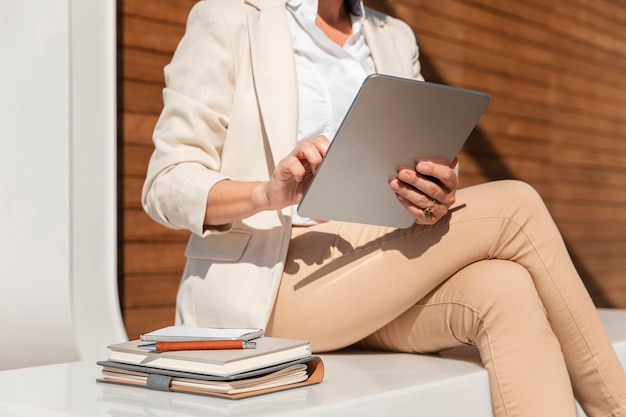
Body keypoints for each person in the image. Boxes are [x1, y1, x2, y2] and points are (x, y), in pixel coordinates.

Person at [141, 0, 626, 416]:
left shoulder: (393, 36)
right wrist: (265, 194)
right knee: (516, 204)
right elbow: (165, 183)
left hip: (374, 270)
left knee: (505, 287)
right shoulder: (228, 17)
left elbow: (413, 158)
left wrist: (433, 193)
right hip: (272, 283)